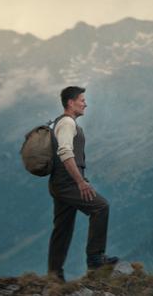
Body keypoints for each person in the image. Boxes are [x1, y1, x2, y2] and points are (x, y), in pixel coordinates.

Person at [47, 86, 118, 282]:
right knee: (100, 207)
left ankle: (54, 277)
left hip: (60, 183)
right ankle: (95, 260)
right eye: (82, 100)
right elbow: (65, 152)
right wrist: (81, 182)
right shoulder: (67, 123)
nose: (85, 103)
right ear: (70, 102)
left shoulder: (62, 123)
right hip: (68, 183)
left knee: (62, 228)